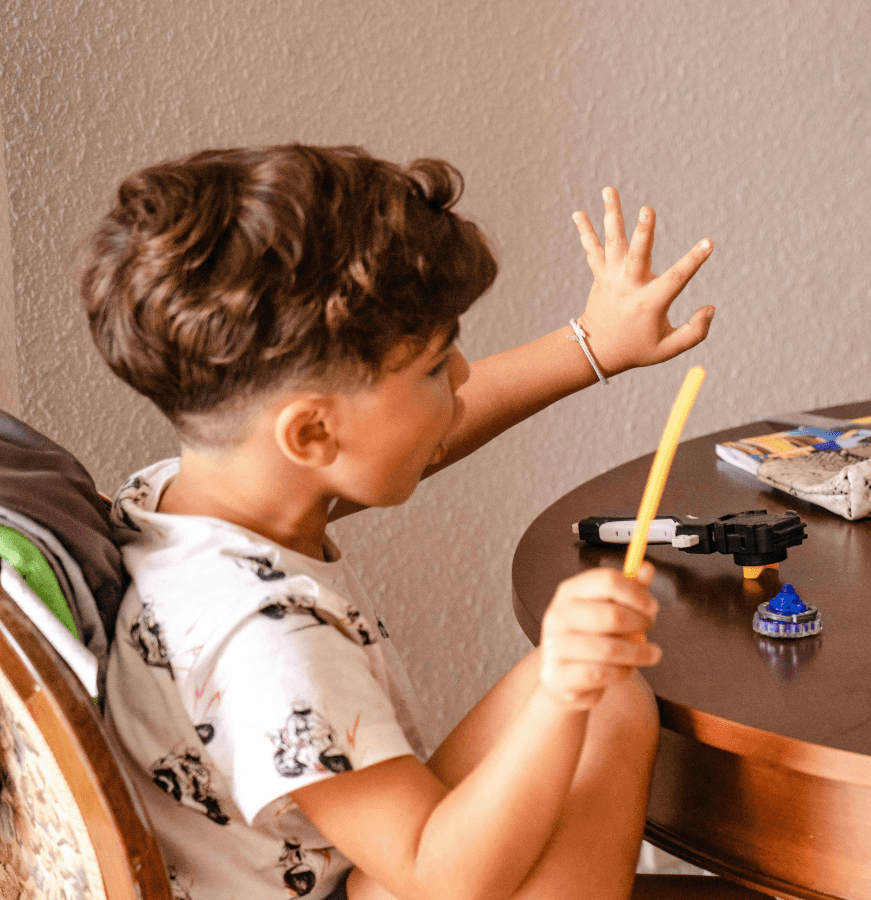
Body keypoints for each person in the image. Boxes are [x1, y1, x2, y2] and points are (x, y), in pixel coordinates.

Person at [82, 145, 756, 900]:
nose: (462, 377)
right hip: (413, 869)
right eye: (437, 366)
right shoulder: (269, 647)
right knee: (590, 699)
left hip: (350, 866)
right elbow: (441, 873)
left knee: (608, 698)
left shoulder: (193, 495)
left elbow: (420, 443)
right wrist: (560, 698)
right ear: (311, 435)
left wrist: (590, 347)